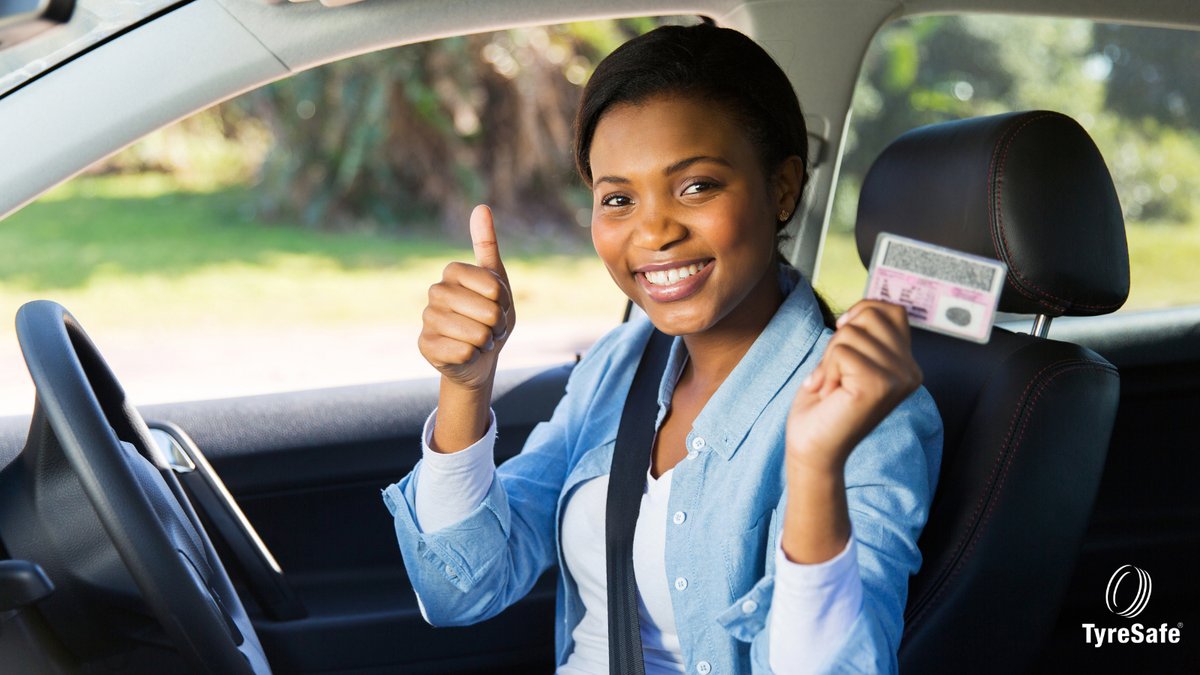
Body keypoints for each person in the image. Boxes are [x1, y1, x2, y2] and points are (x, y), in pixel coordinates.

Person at [382, 22, 942, 674]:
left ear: (783, 189)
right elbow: (461, 587)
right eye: (618, 198)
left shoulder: (869, 414)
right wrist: (466, 385)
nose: (653, 231)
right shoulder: (620, 363)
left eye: (696, 186)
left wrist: (815, 464)